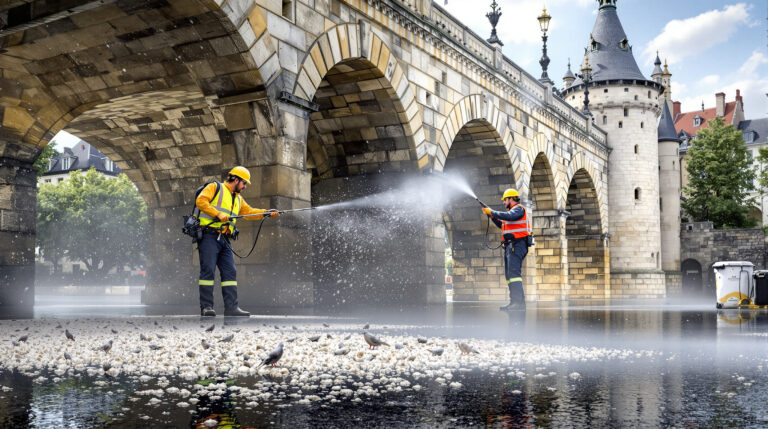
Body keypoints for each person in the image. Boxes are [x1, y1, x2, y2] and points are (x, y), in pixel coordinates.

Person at [195, 166, 279, 317]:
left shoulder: (238, 198)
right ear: (235, 179)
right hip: (209, 236)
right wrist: (217, 213)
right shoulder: (215, 187)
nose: (245, 186)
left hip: (225, 239)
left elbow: (249, 212)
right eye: (244, 183)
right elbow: (200, 201)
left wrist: (266, 213)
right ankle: (206, 307)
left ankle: (231, 308)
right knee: (208, 271)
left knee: (230, 272)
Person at [482, 188, 532, 311]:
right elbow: (502, 224)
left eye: (505, 200)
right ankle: (514, 302)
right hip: (511, 246)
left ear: (511, 199)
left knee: (514, 274)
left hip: (518, 245)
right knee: (510, 275)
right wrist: (492, 216)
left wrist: (492, 212)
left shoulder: (519, 209)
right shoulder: (511, 213)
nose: (504, 203)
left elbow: (509, 216)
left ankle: (518, 303)